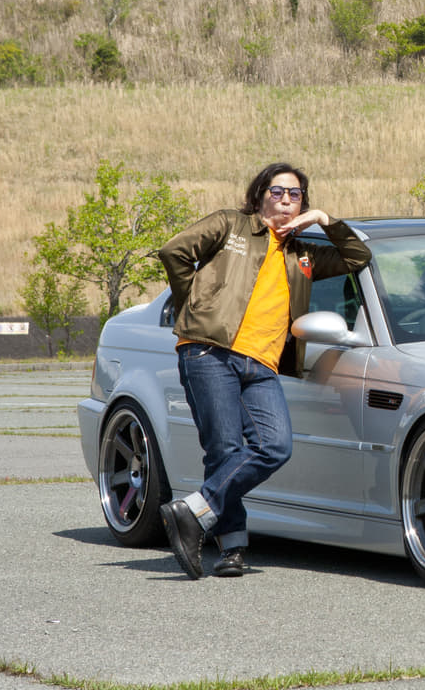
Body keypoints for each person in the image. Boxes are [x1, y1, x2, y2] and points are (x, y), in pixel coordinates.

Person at [156, 162, 371, 579]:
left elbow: (357, 257)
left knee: (274, 447)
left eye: (295, 195)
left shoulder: (303, 253)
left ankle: (193, 510)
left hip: (263, 363)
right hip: (210, 352)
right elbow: (174, 252)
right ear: (258, 196)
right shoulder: (230, 226)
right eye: (277, 192)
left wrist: (324, 221)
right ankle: (232, 549)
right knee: (224, 452)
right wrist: (195, 307)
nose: (286, 201)